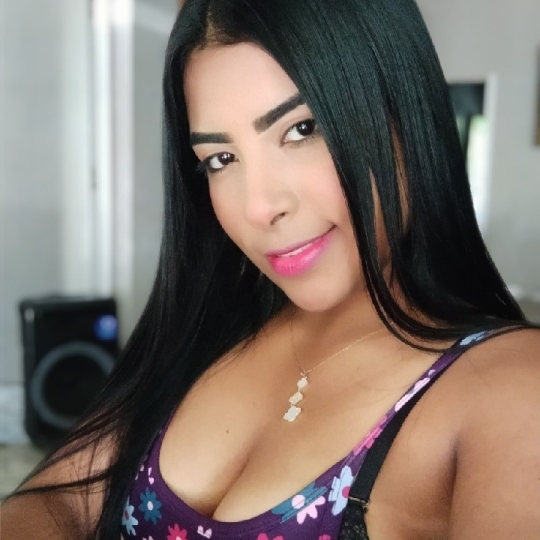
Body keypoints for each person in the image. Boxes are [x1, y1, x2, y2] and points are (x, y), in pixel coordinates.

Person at [3, 0, 540, 538]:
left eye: (302, 128)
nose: (259, 207)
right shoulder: (207, 332)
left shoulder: (510, 386)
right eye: (221, 159)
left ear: (402, 107)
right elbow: (58, 502)